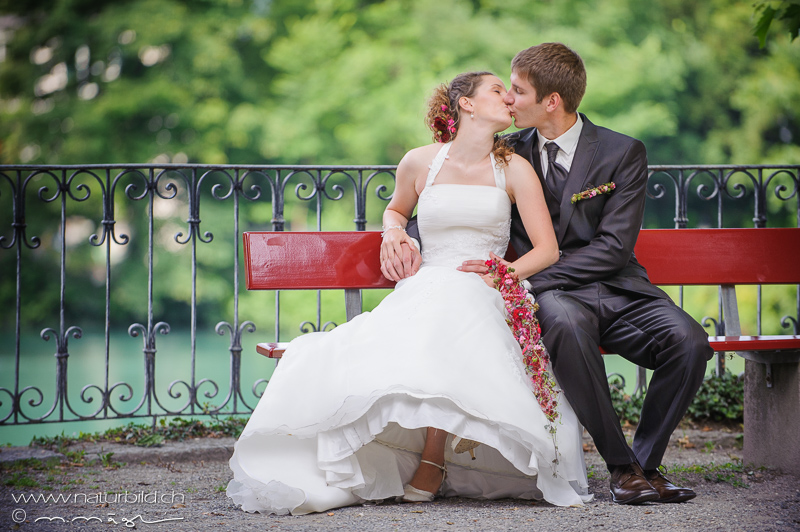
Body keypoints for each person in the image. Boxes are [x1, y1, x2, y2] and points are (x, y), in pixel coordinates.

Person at [227, 71, 593, 516]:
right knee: (432, 312)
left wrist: (504, 273)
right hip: (429, 282)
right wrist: (393, 233)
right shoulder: (420, 162)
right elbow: (397, 210)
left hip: (486, 287)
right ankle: (415, 454)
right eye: (498, 90)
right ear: (466, 104)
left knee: (460, 305)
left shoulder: (514, 168)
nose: (510, 99)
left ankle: (433, 457)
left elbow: (547, 250)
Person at [394, 43, 714, 505]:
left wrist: (519, 277)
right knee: (565, 324)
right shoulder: (505, 151)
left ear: (552, 101)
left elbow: (614, 248)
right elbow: (447, 205)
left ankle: (644, 464)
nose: (509, 99)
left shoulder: (622, 152)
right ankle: (622, 468)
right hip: (553, 297)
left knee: (690, 342)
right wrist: (400, 234)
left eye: (517, 91)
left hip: (616, 287)